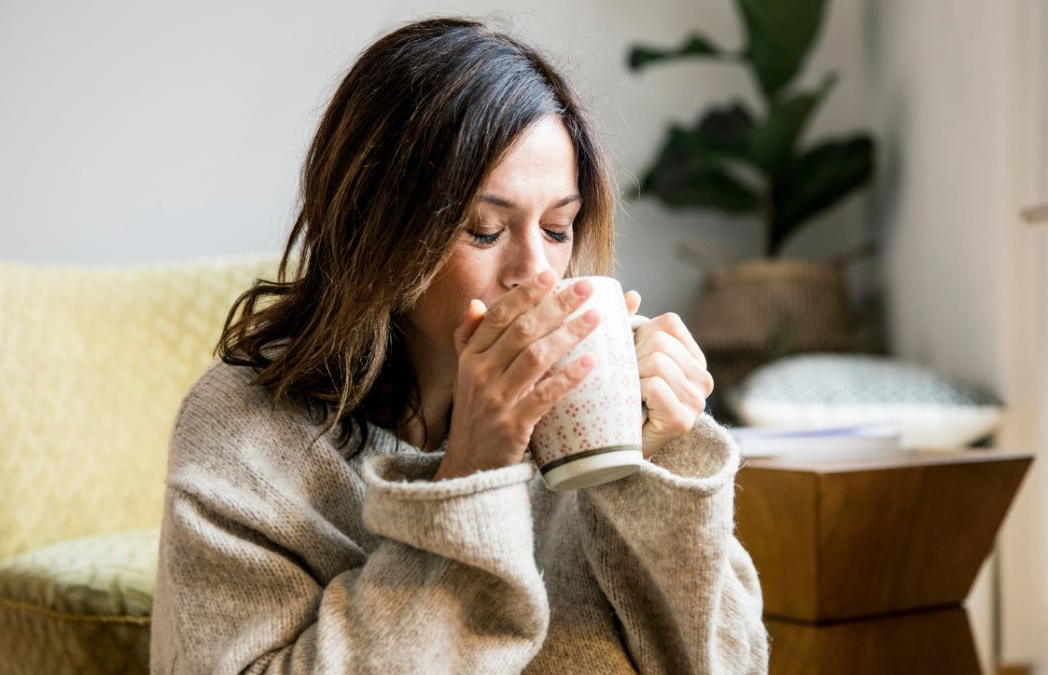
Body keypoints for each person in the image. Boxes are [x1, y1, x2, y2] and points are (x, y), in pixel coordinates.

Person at [150, 17, 769, 674]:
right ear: (377, 229)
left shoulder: (593, 407)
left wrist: (659, 469)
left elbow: (727, 664)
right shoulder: (247, 436)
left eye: (558, 228)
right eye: (483, 229)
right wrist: (471, 478)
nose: (536, 272)